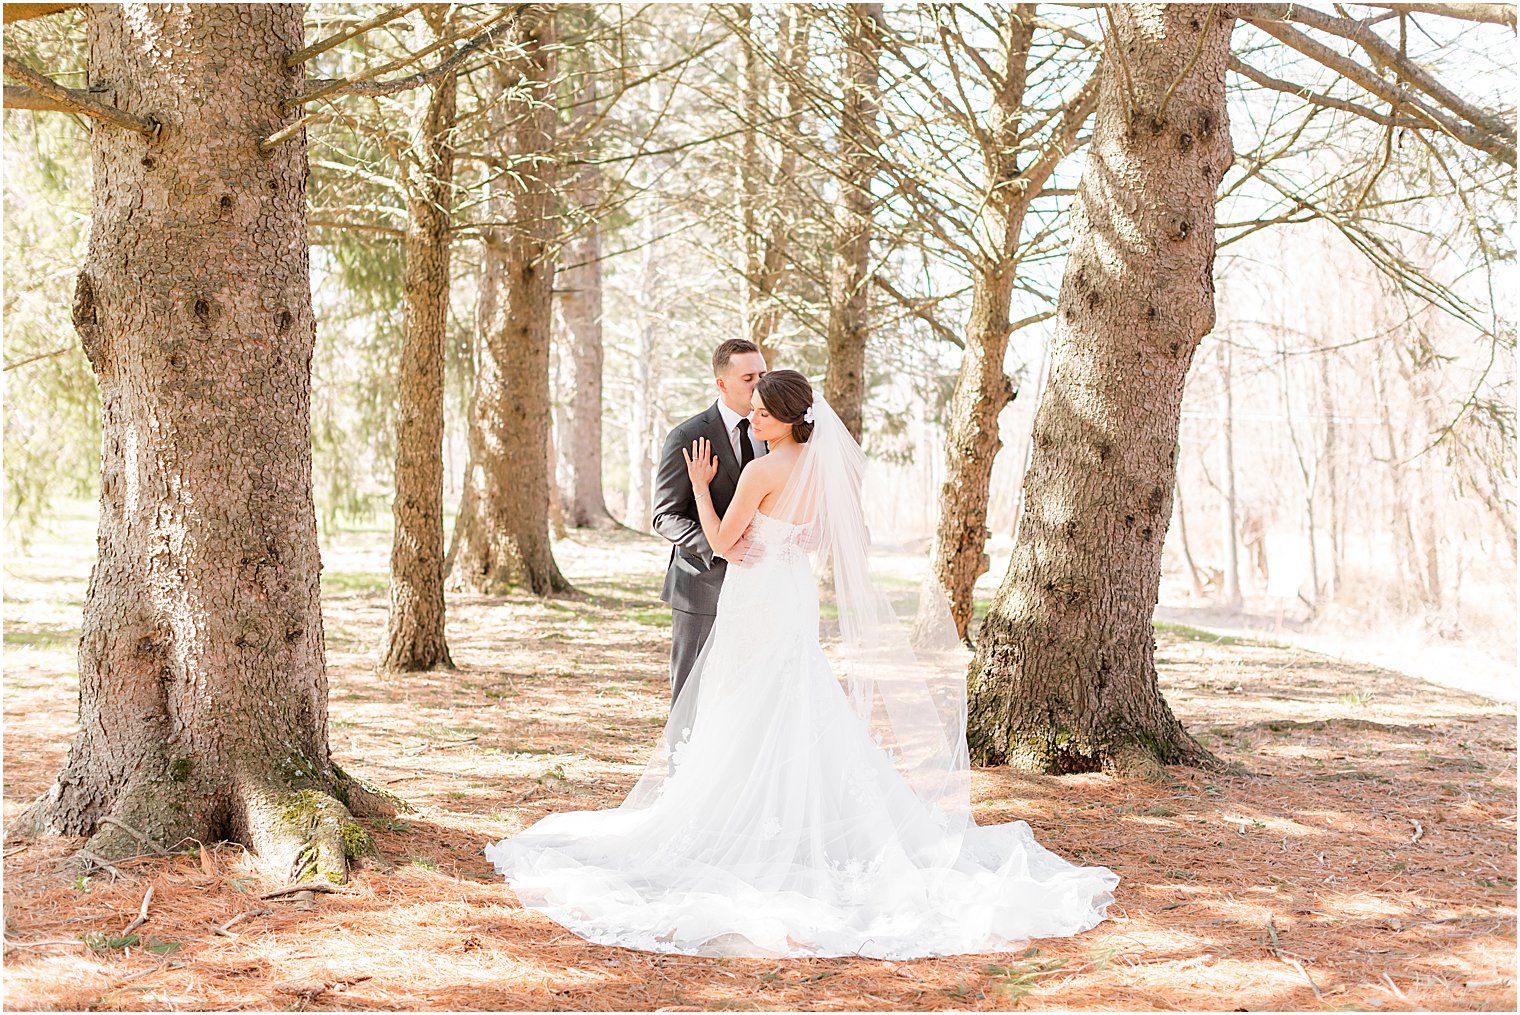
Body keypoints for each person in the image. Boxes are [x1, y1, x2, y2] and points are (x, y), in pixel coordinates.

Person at [485, 370, 1119, 959]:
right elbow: (816, 537)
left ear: (788, 419)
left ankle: (742, 818)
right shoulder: (819, 469)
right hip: (788, 596)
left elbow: (724, 544)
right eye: (752, 408)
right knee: (793, 695)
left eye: (761, 412)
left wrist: (705, 490)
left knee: (748, 700)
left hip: (756, 598)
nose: (752, 418)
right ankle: (794, 811)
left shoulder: (763, 470)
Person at [649, 338, 768, 704]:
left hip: (761, 584)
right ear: (722, 383)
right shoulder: (688, 436)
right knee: (692, 694)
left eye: (763, 374)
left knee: (746, 693)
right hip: (701, 586)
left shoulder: (775, 432)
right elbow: (664, 515)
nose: (759, 384)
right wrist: (721, 545)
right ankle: (680, 763)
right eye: (749, 378)